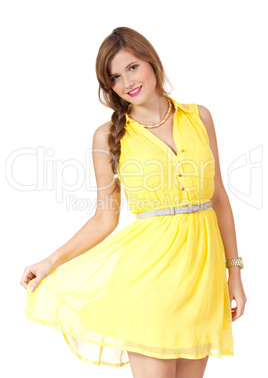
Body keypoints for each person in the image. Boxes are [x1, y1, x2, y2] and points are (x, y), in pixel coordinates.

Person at [21, 26, 247, 378]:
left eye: (132, 67)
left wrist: (234, 273)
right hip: (149, 278)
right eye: (114, 77)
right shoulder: (108, 136)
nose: (127, 82)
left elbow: (218, 198)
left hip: (203, 278)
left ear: (151, 63)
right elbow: (103, 218)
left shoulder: (199, 117)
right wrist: (51, 261)